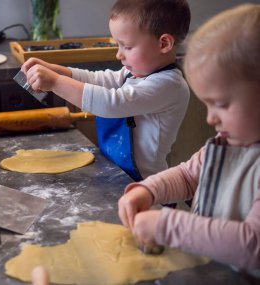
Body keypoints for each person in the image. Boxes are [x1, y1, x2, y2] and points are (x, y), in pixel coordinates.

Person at [118, 3, 260, 273]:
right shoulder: (228, 144)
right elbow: (187, 176)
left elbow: (252, 246)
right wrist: (148, 190)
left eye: (221, 104)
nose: (211, 118)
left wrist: (165, 225)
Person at [22, 0, 191, 181]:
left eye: (127, 46)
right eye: (117, 45)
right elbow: (100, 80)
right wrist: (57, 70)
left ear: (164, 43)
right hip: (117, 175)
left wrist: (55, 82)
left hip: (147, 186)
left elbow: (112, 103)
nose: (119, 55)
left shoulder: (169, 85)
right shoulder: (135, 72)